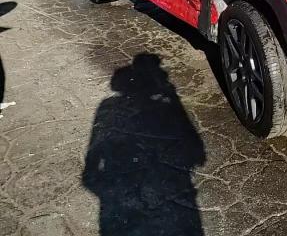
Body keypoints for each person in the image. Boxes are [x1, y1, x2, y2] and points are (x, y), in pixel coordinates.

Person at [82, 53, 206, 235]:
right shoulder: (161, 98)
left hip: (146, 190)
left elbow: (92, 166)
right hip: (150, 189)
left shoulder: (110, 105)